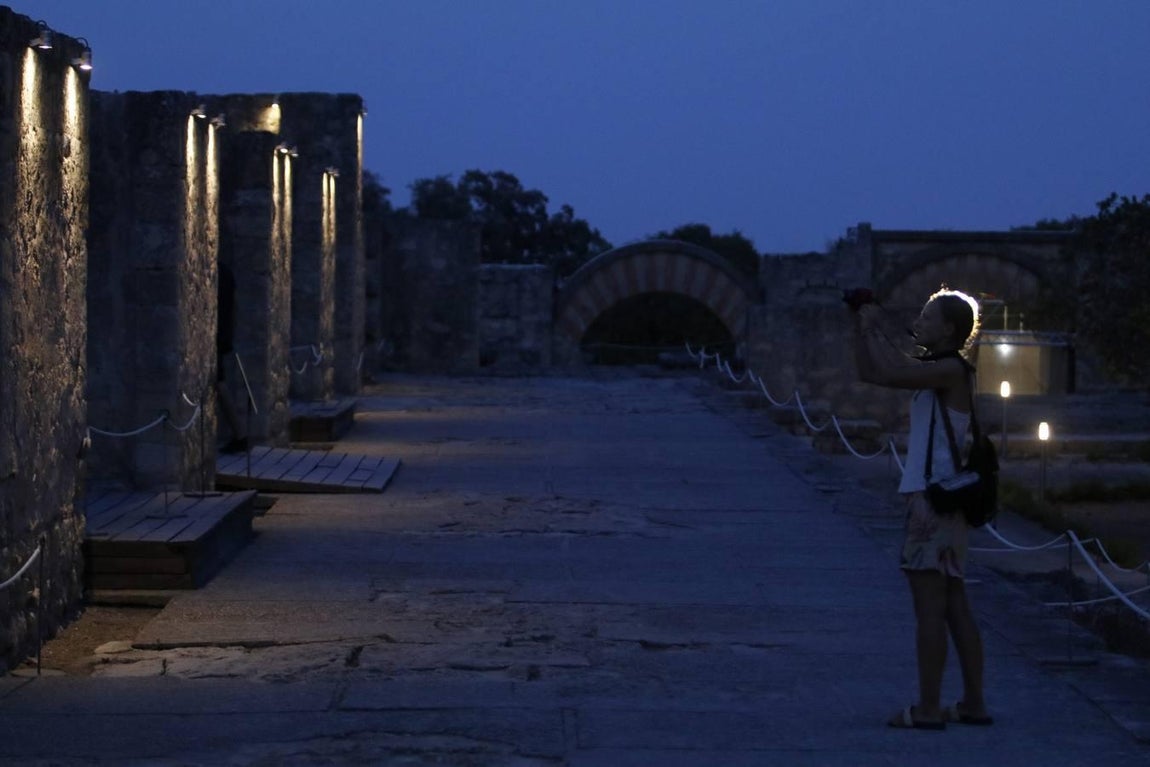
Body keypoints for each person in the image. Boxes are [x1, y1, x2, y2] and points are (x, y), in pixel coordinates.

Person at [852, 286, 993, 731]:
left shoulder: (950, 369)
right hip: (944, 500)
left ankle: (929, 709)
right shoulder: (942, 370)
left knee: (930, 609)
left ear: (949, 329)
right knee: (954, 605)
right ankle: (973, 704)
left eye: (928, 315)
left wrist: (874, 326)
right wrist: (860, 326)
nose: (920, 320)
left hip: (932, 503)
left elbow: (891, 372)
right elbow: (872, 372)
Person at [217, 263, 248, 454]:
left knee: (219, 384)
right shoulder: (226, 272)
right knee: (219, 384)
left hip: (216, 337)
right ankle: (239, 434)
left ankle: (240, 434)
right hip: (221, 335)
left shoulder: (220, 272)